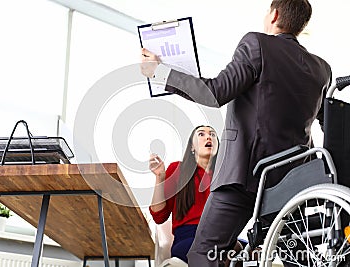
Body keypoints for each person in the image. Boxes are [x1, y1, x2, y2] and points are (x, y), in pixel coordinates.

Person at [141, 0, 332, 266]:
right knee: (295, 258)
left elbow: (216, 91)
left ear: (274, 14)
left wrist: (161, 72)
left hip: (246, 175)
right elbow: (327, 121)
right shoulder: (321, 69)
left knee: (203, 253)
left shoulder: (257, 45)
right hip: (291, 182)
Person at [148, 125, 218, 264]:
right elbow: (159, 216)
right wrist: (160, 177)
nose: (208, 137)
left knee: (251, 251)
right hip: (188, 237)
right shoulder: (177, 170)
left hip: (220, 235)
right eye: (201, 134)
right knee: (210, 251)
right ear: (192, 147)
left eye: (213, 135)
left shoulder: (225, 175)